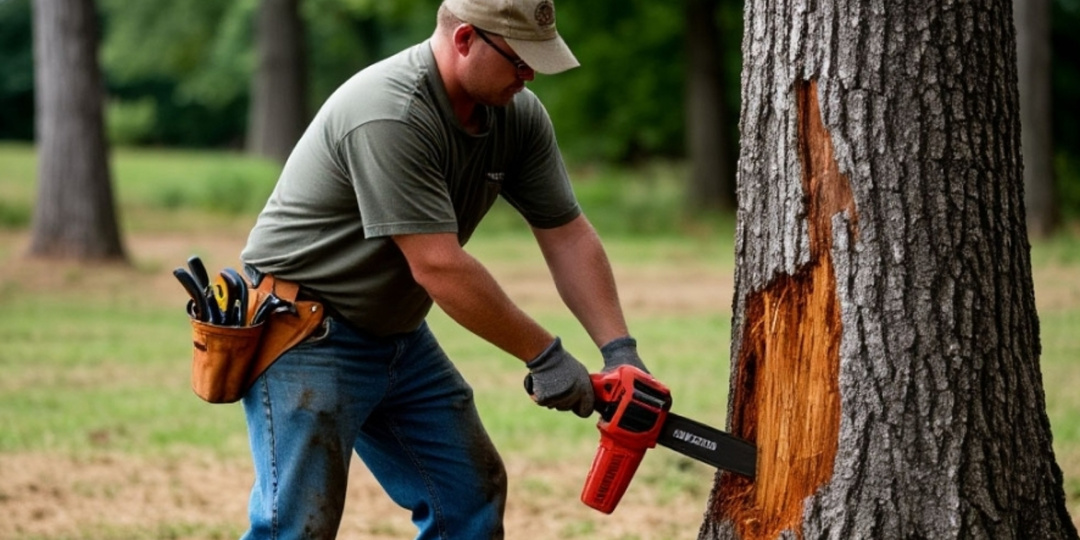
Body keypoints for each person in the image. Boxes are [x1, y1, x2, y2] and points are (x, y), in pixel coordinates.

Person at [237, 0, 649, 538]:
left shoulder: (517, 115)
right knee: (294, 526)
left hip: (397, 333)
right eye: (518, 60)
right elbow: (438, 266)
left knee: (467, 501)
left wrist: (620, 351)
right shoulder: (391, 112)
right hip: (304, 330)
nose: (528, 77)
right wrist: (546, 356)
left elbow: (566, 234)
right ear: (464, 40)